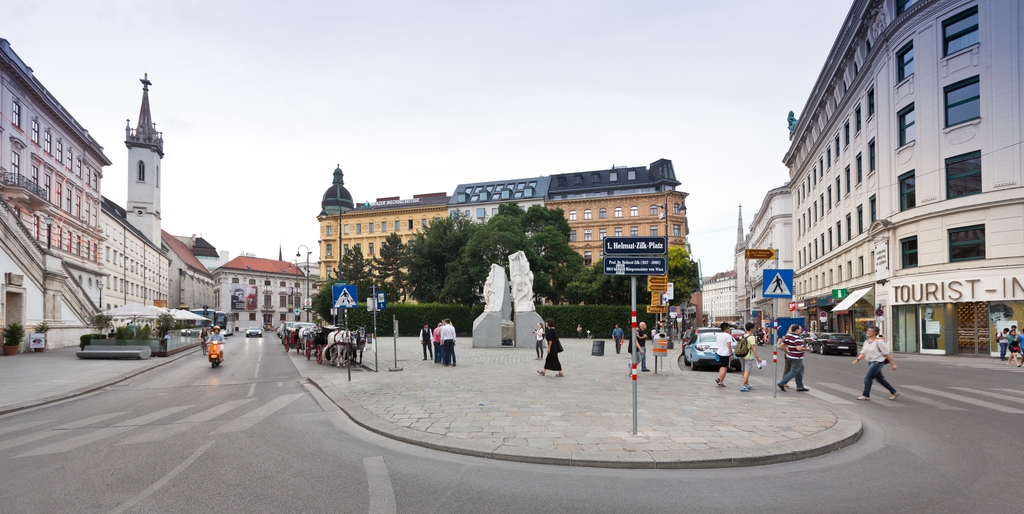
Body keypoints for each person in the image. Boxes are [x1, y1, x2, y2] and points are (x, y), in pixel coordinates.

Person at [852, 326, 898, 400]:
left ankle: (866, 395)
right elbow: (863, 353)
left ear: (874, 333)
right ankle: (894, 392)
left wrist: (893, 364)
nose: (868, 332)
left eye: (870, 331)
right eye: (867, 330)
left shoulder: (879, 342)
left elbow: (886, 354)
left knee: (868, 377)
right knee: (880, 379)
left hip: (878, 362)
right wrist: (857, 359)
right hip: (871, 362)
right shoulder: (866, 342)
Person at [778, 324, 811, 392]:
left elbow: (782, 345)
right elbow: (798, 348)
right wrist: (807, 349)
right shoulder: (796, 338)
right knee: (794, 371)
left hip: (790, 356)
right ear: (796, 330)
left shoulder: (789, 336)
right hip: (796, 357)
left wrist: (787, 352)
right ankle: (782, 382)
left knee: (799, 371)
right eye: (800, 329)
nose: (801, 331)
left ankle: (800, 386)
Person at [738, 322, 762, 392]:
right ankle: (742, 385)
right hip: (748, 356)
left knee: (744, 370)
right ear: (751, 329)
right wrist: (757, 357)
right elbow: (753, 347)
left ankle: (746, 384)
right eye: (753, 328)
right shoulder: (751, 337)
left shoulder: (742, 336)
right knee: (747, 371)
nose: (754, 329)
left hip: (741, 355)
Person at [714, 322, 733, 387]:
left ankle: (719, 378)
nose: (729, 329)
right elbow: (729, 346)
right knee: (725, 367)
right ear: (726, 329)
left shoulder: (718, 335)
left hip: (719, 352)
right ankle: (720, 380)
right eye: (728, 328)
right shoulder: (728, 336)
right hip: (725, 353)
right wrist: (731, 354)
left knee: (722, 366)